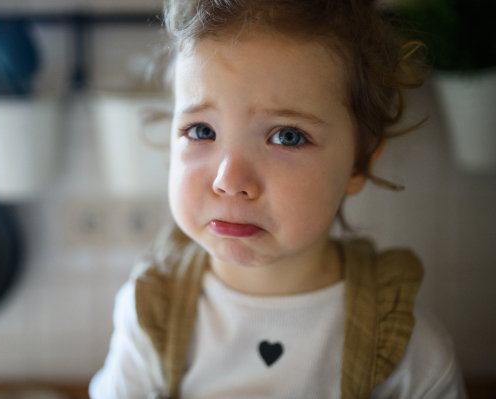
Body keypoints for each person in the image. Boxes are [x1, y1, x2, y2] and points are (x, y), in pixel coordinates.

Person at [90, 0, 467, 398]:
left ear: (358, 163)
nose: (230, 181)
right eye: (201, 130)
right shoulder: (150, 315)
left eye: (287, 136)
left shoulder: (407, 347)